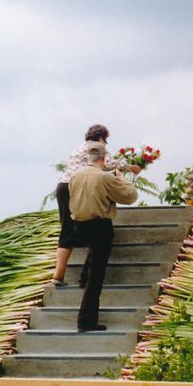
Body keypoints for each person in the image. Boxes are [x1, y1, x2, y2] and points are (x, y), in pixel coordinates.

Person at [51, 124, 140, 287]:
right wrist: (132, 168)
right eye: (105, 140)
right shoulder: (95, 149)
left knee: (67, 229)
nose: (105, 144)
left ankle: (59, 274)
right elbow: (109, 163)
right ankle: (79, 275)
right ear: (100, 138)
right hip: (79, 187)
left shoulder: (77, 148)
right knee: (94, 228)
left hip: (64, 186)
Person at [69, 141, 138, 332]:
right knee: (96, 276)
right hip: (99, 226)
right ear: (104, 158)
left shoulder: (75, 176)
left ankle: (83, 275)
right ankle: (86, 321)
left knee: (94, 252)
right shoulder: (104, 177)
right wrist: (121, 179)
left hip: (79, 226)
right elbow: (130, 197)